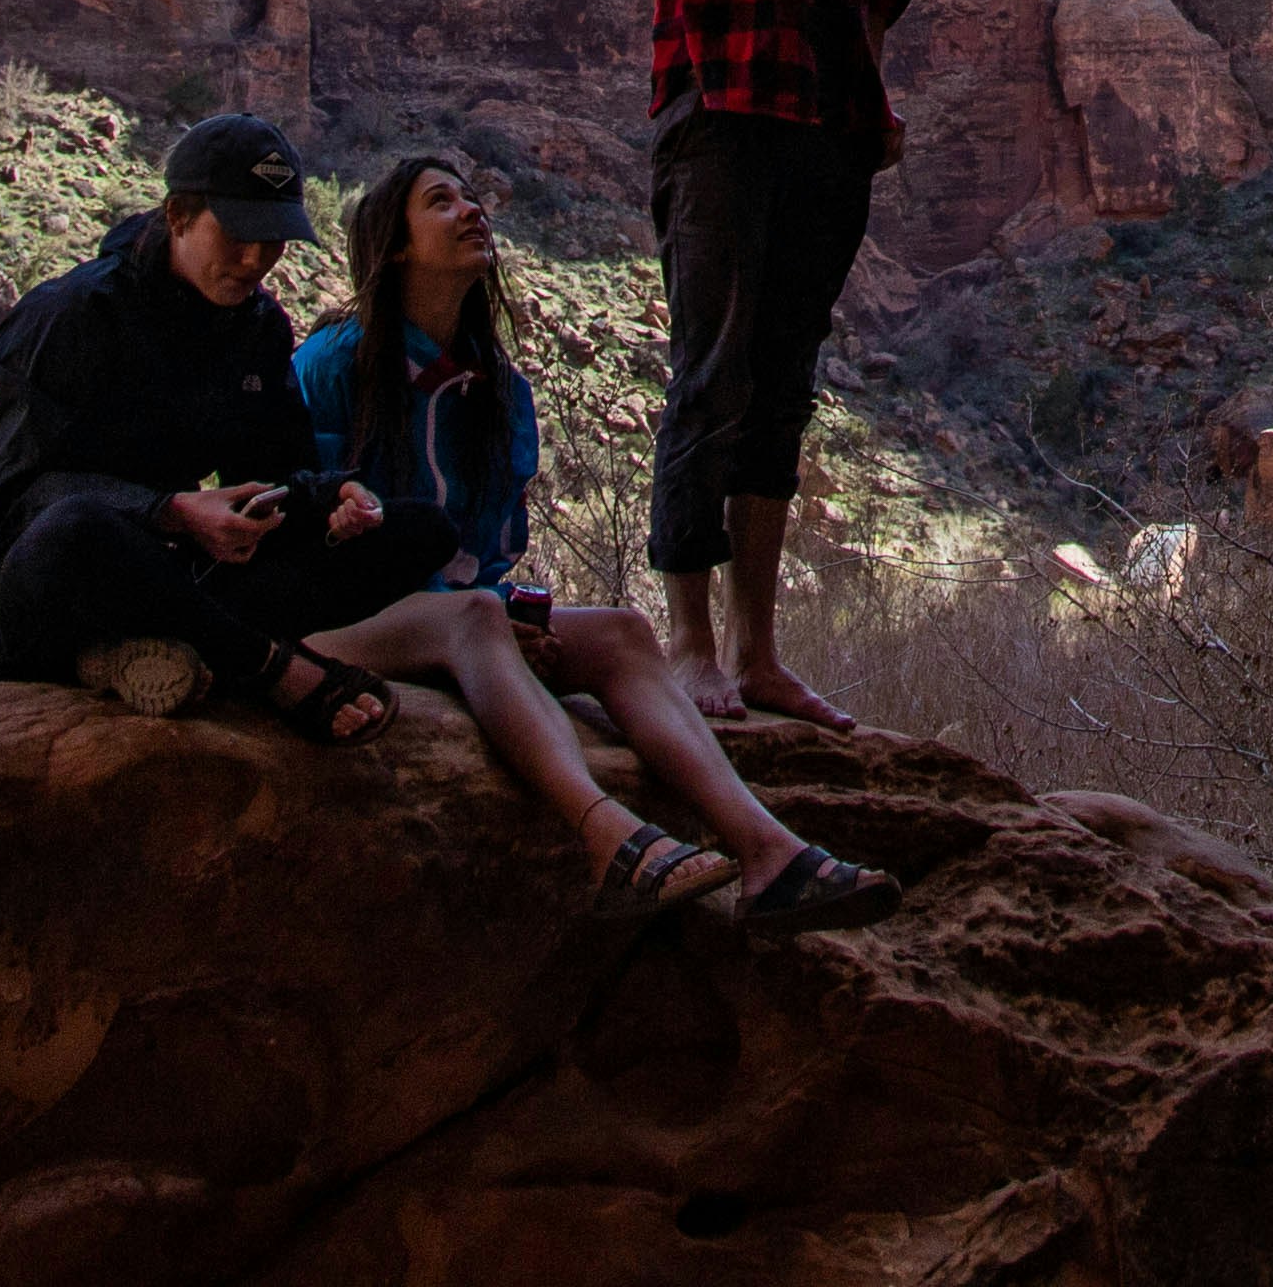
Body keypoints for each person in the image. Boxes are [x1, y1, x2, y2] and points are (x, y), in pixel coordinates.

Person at [0, 109, 766, 912]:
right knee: (81, 531)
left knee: (419, 530)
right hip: (45, 590)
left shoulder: (257, 327)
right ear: (177, 215)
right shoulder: (72, 314)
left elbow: (270, 476)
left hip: (180, 584)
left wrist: (326, 501)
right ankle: (276, 672)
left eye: (271, 240)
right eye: (234, 236)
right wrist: (169, 509)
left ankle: (168, 650)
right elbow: (21, 497)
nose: (254, 260)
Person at [302, 150, 899, 926]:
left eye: (474, 196)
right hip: (334, 621)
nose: (473, 211)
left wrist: (511, 611)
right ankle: (606, 836)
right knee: (476, 618)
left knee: (621, 632)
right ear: (393, 245)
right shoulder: (330, 365)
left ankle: (769, 857)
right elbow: (303, 520)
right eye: (441, 202)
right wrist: (485, 612)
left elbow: (492, 549)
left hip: (452, 618)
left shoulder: (499, 391)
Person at [598, 0, 902, 729]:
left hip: (830, 117)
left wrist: (877, 85)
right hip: (721, 100)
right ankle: (685, 646)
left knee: (785, 380)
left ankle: (758, 652)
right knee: (710, 367)